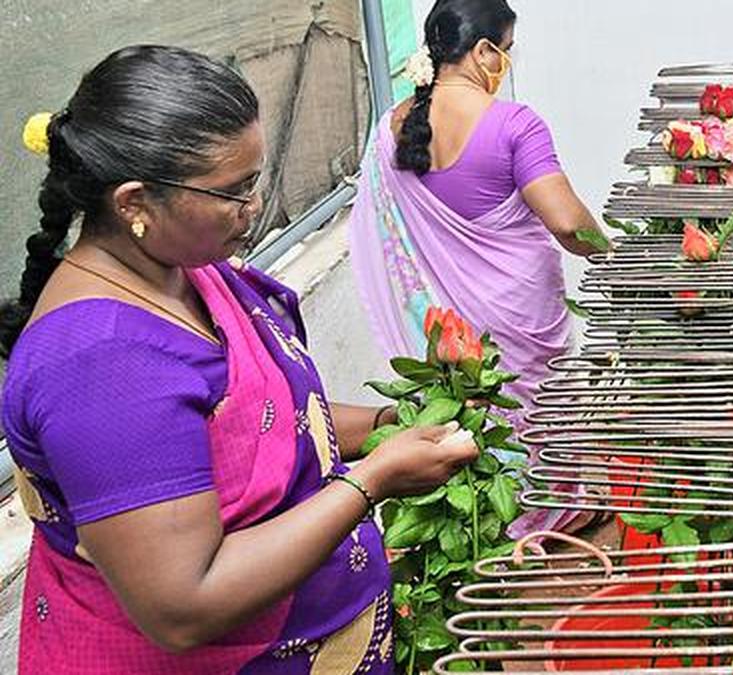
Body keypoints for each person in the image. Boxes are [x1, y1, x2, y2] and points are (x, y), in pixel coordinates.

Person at [1, 45, 477, 673]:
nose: (254, 210)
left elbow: (260, 416)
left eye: (255, 181)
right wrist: (373, 482)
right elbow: (185, 604)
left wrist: (388, 427)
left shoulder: (183, 270)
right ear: (134, 203)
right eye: (234, 192)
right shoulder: (101, 364)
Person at [348, 0, 605, 411]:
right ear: (484, 51)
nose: (508, 60)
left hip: (446, 335)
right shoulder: (516, 124)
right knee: (540, 432)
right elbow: (569, 225)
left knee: (473, 438)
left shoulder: (389, 128)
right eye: (508, 47)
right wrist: (611, 258)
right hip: (520, 319)